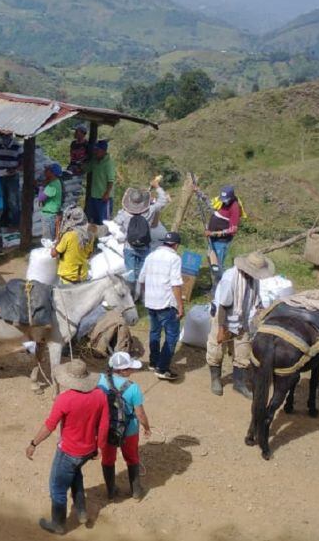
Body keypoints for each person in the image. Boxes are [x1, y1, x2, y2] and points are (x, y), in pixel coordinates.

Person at [25, 360, 109, 535]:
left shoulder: (64, 399)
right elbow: (104, 425)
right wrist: (100, 447)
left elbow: (50, 426)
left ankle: (58, 524)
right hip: (88, 449)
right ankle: (81, 510)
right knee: (75, 474)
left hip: (68, 452)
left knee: (57, 487)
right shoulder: (100, 395)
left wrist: (34, 443)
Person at [208, 252, 275, 398]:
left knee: (243, 351)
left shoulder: (254, 280)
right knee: (216, 350)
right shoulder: (230, 278)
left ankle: (239, 383)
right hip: (224, 319)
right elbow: (223, 307)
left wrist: (262, 312)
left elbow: (256, 300)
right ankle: (216, 379)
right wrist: (221, 330)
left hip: (243, 321)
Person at [98, 352, 151, 501]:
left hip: (107, 428)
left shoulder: (100, 380)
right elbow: (140, 414)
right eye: (130, 368)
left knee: (108, 459)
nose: (132, 371)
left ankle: (110, 491)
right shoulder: (133, 388)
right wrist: (147, 427)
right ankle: (136, 491)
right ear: (123, 371)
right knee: (132, 458)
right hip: (129, 430)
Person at [138, 231, 185, 380]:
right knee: (172, 335)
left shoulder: (151, 256)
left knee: (155, 332)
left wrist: (149, 294)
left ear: (164, 243)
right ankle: (162, 368)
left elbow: (142, 279)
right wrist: (180, 305)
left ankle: (153, 362)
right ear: (176, 245)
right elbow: (176, 284)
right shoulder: (174, 258)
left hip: (151, 302)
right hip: (166, 304)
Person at [114, 180, 171, 284]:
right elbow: (163, 201)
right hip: (145, 246)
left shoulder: (124, 213)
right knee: (142, 272)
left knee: (130, 272)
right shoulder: (150, 210)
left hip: (129, 246)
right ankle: (140, 291)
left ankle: (131, 292)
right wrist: (157, 186)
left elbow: (116, 221)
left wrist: (123, 213)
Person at [53, 206, 95, 284]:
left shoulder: (68, 235)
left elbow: (53, 254)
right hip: (83, 277)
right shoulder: (90, 235)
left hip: (67, 278)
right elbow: (89, 255)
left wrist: (57, 231)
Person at [206, 185, 242, 271]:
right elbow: (210, 204)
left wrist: (213, 233)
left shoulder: (234, 207)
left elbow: (233, 229)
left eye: (226, 200)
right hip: (212, 238)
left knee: (218, 265)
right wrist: (198, 192)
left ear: (231, 197)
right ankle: (214, 280)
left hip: (221, 241)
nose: (224, 201)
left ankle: (219, 282)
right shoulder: (222, 200)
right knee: (212, 261)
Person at [0, 131, 23, 227]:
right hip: (1, 175)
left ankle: (16, 223)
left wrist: (15, 169)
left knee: (13, 200)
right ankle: (4, 221)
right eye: (2, 136)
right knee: (2, 199)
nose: (4, 138)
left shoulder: (17, 146)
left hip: (12, 176)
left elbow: (22, 162)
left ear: (10, 135)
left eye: (6, 136)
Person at [85, 140, 115, 225]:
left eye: (97, 150)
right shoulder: (95, 161)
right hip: (94, 195)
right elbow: (87, 168)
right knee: (94, 220)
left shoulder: (109, 163)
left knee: (105, 221)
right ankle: (96, 238)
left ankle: (105, 238)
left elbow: (111, 180)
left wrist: (107, 193)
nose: (95, 152)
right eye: (94, 150)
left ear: (103, 151)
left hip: (104, 197)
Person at [38, 163, 64, 240]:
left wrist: (41, 187)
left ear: (52, 173)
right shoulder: (57, 182)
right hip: (51, 214)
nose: (45, 172)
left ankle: (49, 251)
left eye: (47, 170)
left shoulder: (52, 185)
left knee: (48, 239)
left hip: (49, 215)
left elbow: (41, 198)